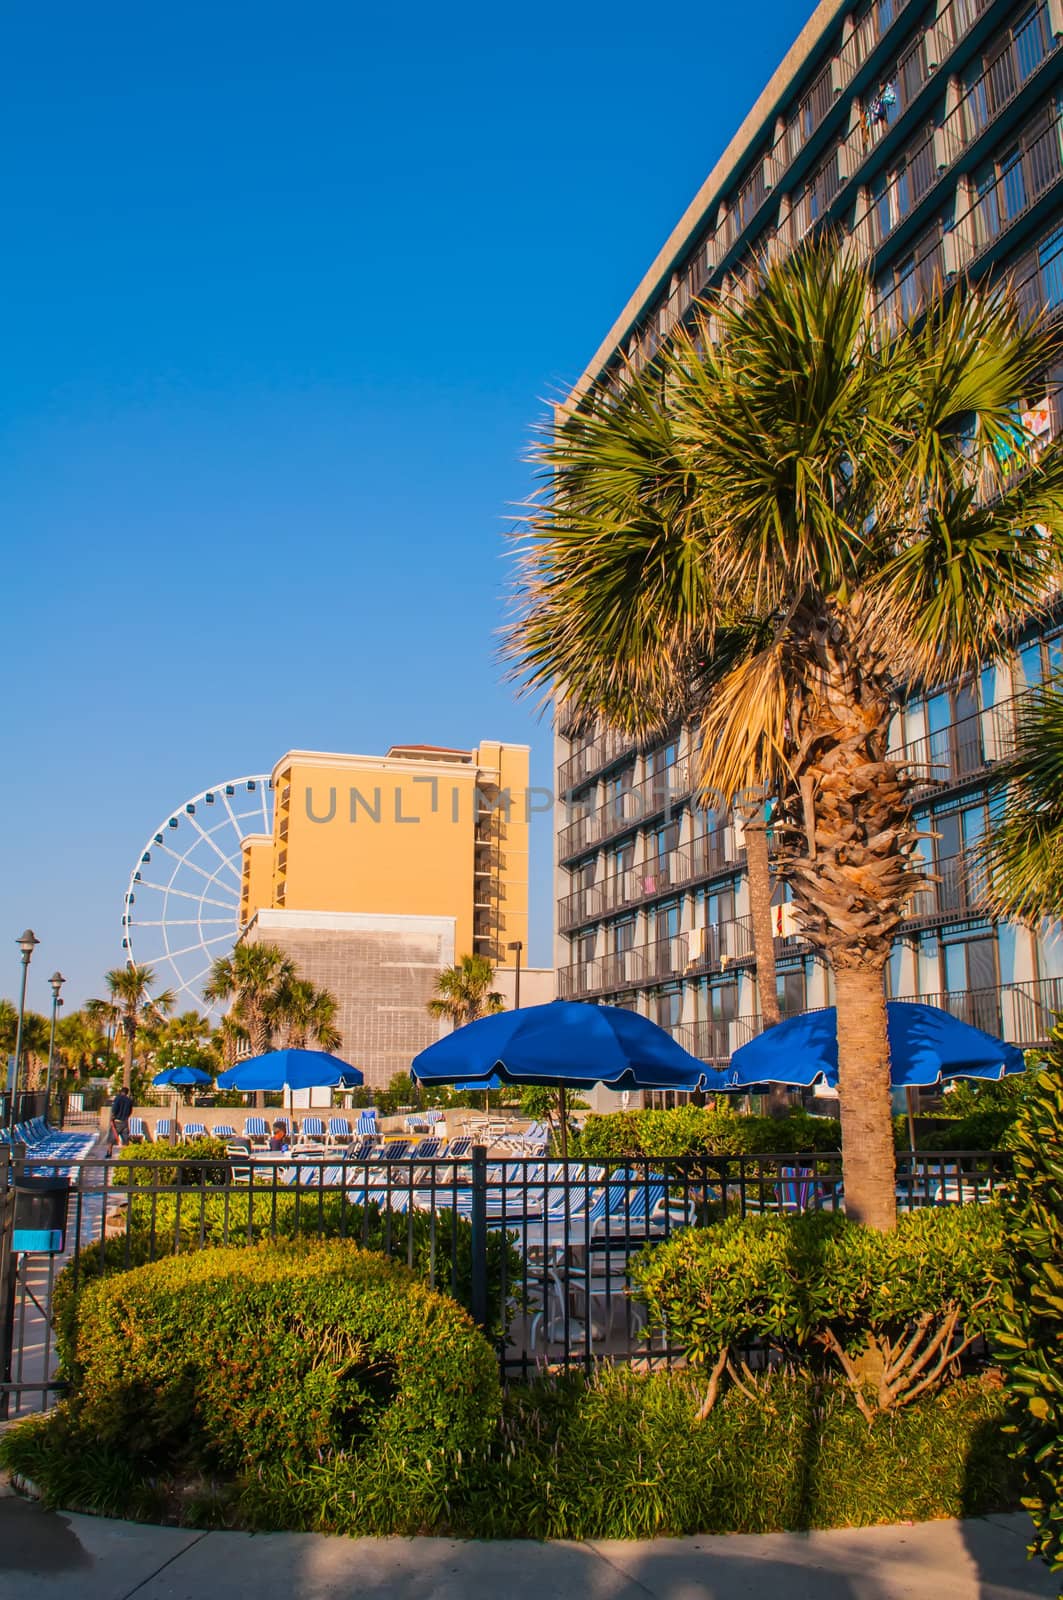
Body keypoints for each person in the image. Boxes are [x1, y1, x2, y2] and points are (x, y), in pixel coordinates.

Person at [109, 1086, 133, 1152]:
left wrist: (112, 1118)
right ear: (127, 1093)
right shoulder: (129, 1100)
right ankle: (125, 1153)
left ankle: (109, 1152)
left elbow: (114, 1109)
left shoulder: (118, 1099)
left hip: (117, 1121)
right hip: (125, 1122)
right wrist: (126, 1116)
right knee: (125, 1139)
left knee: (112, 1137)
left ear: (121, 1092)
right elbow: (130, 1111)